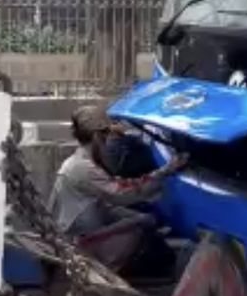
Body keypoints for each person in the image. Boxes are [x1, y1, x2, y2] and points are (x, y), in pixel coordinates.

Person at [48, 105, 186, 271]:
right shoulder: (83, 167)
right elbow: (122, 193)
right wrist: (166, 171)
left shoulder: (79, 162)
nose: (108, 142)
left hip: (78, 231)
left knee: (143, 219)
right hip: (77, 241)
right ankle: (105, 266)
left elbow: (105, 203)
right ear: (97, 136)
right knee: (142, 224)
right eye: (106, 136)